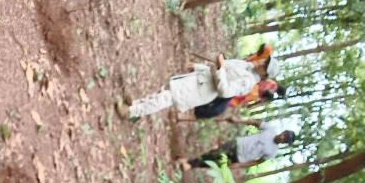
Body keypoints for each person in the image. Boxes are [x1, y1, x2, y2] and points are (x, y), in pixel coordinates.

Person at [120, 52, 280, 121]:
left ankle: (132, 112)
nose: (261, 62)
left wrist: (220, 68)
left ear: (264, 74)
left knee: (167, 98)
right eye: (264, 60)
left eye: (264, 65)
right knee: (164, 91)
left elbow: (225, 91)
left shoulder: (248, 82)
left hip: (201, 91)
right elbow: (219, 67)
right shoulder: (245, 65)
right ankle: (136, 105)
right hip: (199, 79)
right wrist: (198, 67)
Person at [179, 120, 295, 171]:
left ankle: (191, 164)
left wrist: (239, 165)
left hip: (240, 157)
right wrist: (239, 120)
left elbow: (256, 162)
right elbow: (255, 123)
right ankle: (190, 163)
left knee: (217, 164)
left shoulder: (273, 152)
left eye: (285, 140)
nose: (282, 138)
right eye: (284, 135)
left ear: (284, 143)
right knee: (214, 153)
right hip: (238, 143)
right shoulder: (271, 129)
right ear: (283, 132)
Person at [192, 79, 285, 120]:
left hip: (233, 98)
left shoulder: (257, 95)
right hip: (232, 94)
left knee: (216, 105)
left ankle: (198, 109)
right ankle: (198, 110)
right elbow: (243, 96)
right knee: (216, 108)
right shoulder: (258, 89)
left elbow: (244, 100)